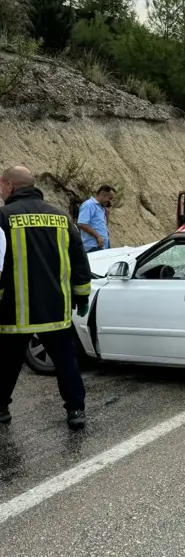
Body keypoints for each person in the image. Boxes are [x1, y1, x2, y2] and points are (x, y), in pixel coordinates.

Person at [0, 166, 92, 430]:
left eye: (1, 186)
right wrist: (82, 296)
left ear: (9, 186)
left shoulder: (3, 218)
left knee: (6, 365)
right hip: (56, 310)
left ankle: (2, 409)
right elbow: (79, 261)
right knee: (66, 364)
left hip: (14, 312)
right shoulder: (62, 218)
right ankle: (76, 411)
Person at [77, 184, 116, 253]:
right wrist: (98, 236)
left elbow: (105, 226)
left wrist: (107, 214)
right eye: (110, 198)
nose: (110, 202)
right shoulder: (89, 205)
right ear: (102, 194)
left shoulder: (102, 208)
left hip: (103, 247)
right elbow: (81, 223)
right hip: (93, 247)